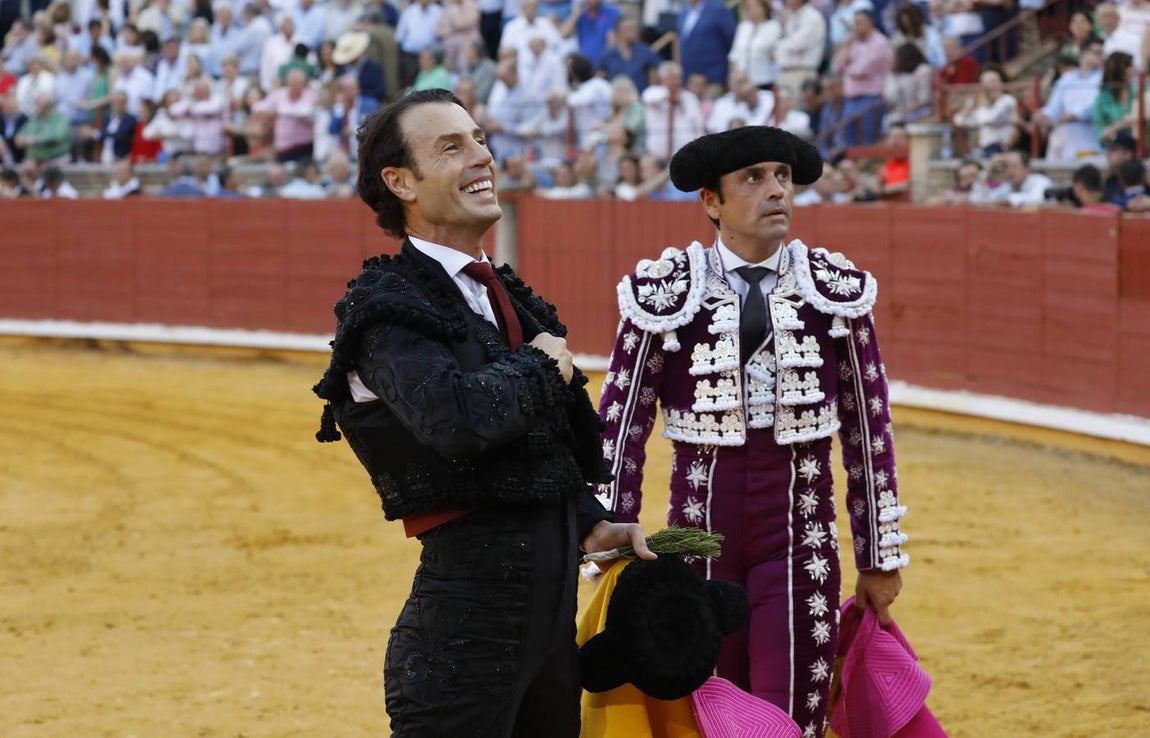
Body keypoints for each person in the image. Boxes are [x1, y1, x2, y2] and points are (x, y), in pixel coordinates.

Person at [311, 88, 652, 737]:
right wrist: (543, 365)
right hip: (461, 645)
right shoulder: (386, 307)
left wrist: (589, 523)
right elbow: (456, 420)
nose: (481, 157)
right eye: (452, 147)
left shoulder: (502, 295)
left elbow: (539, 446)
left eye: (480, 140)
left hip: (549, 640)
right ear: (401, 182)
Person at [597, 125, 907, 738]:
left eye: (783, 177)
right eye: (754, 179)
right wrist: (611, 540)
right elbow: (621, 424)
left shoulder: (835, 293)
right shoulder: (665, 293)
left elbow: (869, 431)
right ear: (711, 201)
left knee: (792, 711)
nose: (776, 191)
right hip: (697, 541)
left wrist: (878, 557)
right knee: (706, 708)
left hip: (801, 538)